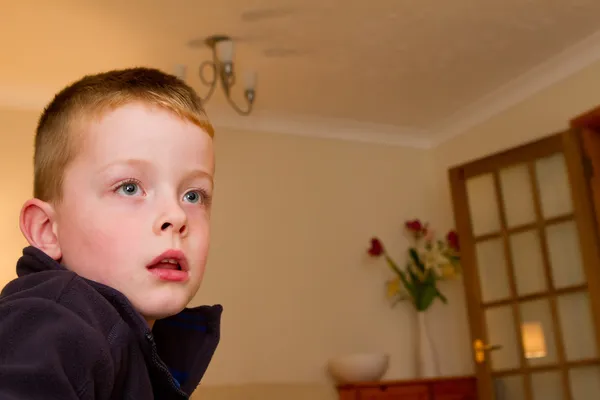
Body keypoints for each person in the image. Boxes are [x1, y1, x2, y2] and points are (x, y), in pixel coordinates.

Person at [0, 67, 222, 399]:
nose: (176, 216)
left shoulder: (133, 343)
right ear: (47, 230)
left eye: (193, 196)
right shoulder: (50, 318)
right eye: (130, 187)